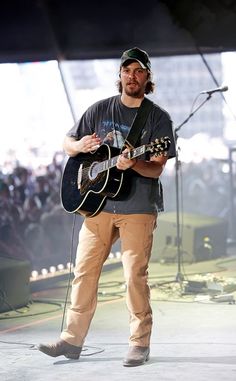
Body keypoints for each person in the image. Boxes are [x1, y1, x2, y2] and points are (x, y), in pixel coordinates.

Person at [38, 47, 176, 366]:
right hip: (98, 204)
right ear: (120, 75)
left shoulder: (157, 118)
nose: (132, 75)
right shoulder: (99, 109)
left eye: (138, 71)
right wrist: (79, 146)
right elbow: (68, 142)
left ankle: (139, 343)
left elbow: (156, 166)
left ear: (147, 77)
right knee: (83, 272)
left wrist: (135, 165)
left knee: (133, 276)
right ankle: (71, 341)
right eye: (127, 70)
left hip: (138, 206)